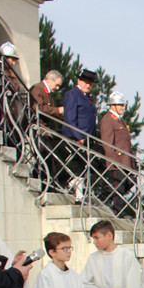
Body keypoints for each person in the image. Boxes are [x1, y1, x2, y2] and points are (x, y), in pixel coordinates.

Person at [61, 69, 98, 198]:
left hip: (88, 138)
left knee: (84, 166)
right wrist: (78, 137)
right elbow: (70, 118)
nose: (88, 85)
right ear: (79, 81)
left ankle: (78, 191)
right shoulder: (72, 95)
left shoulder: (87, 97)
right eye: (86, 82)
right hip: (76, 137)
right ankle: (75, 191)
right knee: (78, 164)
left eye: (90, 83)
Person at [98, 91, 134, 216]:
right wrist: (114, 160)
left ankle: (110, 201)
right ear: (112, 105)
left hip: (126, 160)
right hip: (118, 160)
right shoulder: (108, 119)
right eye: (120, 105)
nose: (123, 108)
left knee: (129, 182)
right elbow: (107, 143)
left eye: (123, 105)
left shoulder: (120, 120)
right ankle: (117, 211)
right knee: (118, 186)